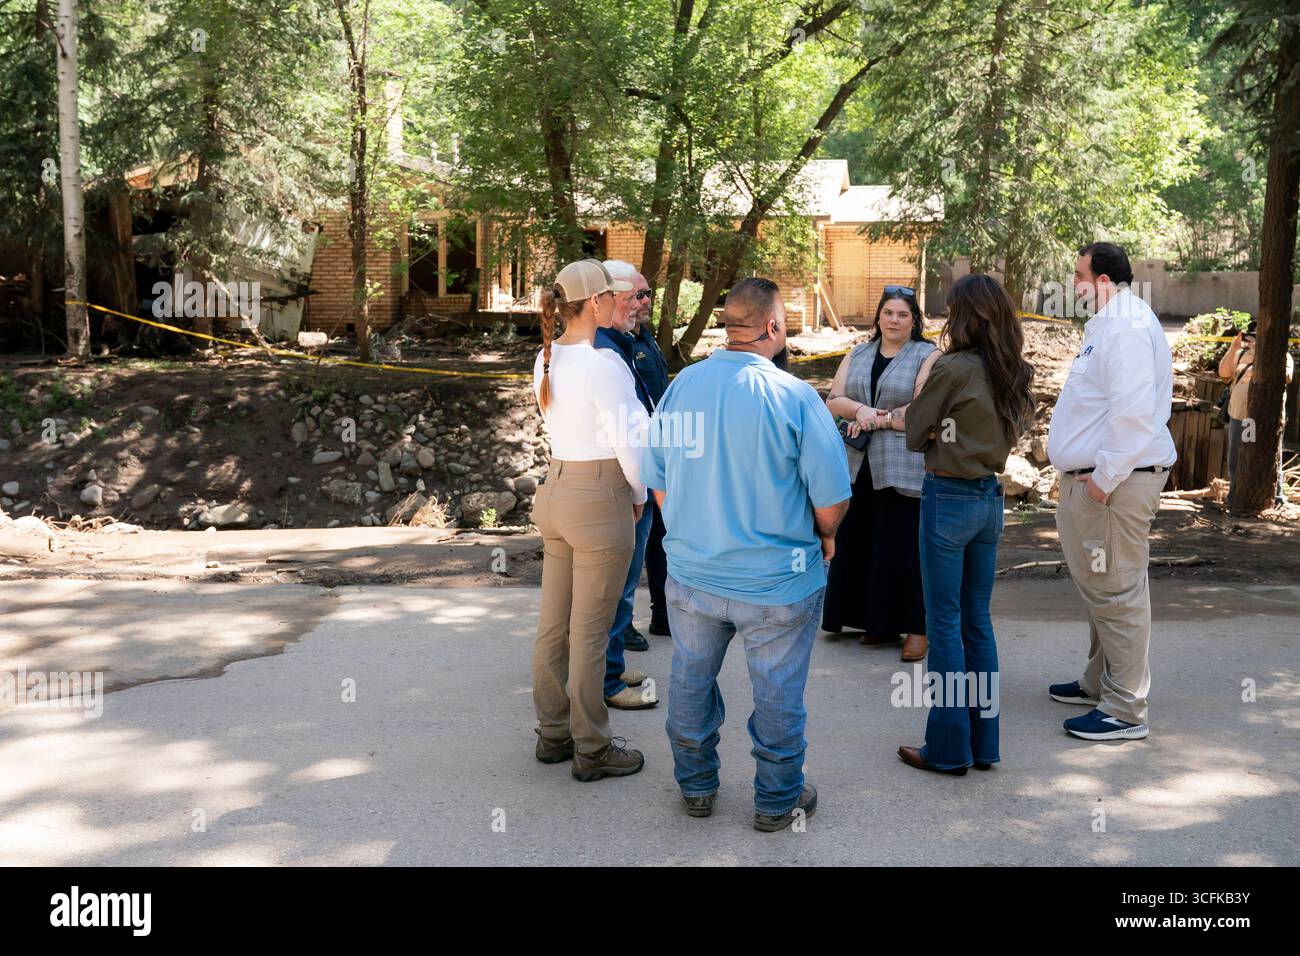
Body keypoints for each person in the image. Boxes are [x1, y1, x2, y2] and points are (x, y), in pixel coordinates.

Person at [641, 277, 852, 831]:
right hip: (777, 583)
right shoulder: (795, 396)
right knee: (779, 693)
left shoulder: (682, 386)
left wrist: (692, 527)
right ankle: (776, 800)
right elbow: (831, 500)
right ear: (774, 328)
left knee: (689, 682)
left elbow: (658, 483)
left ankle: (696, 787)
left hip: (693, 577)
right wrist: (825, 535)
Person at [898, 274, 1035, 775]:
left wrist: (932, 418)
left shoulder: (953, 367)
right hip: (988, 501)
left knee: (944, 624)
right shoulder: (1015, 371)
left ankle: (950, 747)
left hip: (948, 499)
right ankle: (984, 743)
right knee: (978, 622)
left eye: (953, 310)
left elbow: (915, 432)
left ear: (967, 316)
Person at [1047, 241, 1176, 742]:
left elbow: (1132, 413)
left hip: (1116, 484)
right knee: (1103, 588)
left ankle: (1125, 709)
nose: (1073, 284)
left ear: (1103, 280)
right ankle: (1098, 682)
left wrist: (1101, 483)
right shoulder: (1111, 321)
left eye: (1079, 275)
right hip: (1106, 481)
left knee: (1118, 589)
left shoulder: (1124, 325)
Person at [530, 258, 649, 781]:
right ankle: (593, 748)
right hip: (599, 493)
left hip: (554, 489)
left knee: (553, 627)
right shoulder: (606, 364)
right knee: (591, 633)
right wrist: (639, 493)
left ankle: (553, 734)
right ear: (597, 303)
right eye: (611, 296)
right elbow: (631, 440)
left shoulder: (547, 357)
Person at [822, 285, 939, 661]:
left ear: (914, 320)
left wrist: (879, 420)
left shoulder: (928, 355)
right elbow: (832, 400)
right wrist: (860, 412)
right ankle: (875, 623)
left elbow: (921, 411)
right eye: (888, 312)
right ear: (878, 316)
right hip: (857, 467)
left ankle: (917, 630)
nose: (894, 320)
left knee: (904, 549)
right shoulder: (858, 352)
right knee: (862, 543)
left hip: (903, 466)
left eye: (903, 314)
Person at [591, 259, 658, 710]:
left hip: (644, 474)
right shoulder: (604, 352)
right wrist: (639, 491)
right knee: (614, 586)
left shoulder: (632, 339)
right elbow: (622, 429)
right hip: (625, 480)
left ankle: (611, 665)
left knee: (626, 583)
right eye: (635, 296)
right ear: (610, 299)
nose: (642, 303)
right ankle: (606, 682)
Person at [625, 268, 673, 638]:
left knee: (661, 535)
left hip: (661, 451)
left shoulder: (646, 338)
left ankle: (663, 612)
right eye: (638, 295)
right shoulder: (614, 345)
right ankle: (621, 625)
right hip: (634, 457)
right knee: (633, 545)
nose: (646, 301)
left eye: (648, 293)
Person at [1218, 319, 1294, 509]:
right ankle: (1235, 493)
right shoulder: (1240, 353)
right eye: (1254, 335)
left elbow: (1287, 377)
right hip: (1241, 415)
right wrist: (1234, 346)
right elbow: (1224, 373)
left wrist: (1263, 357)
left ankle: (1276, 496)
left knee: (1271, 452)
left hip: (1269, 418)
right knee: (1238, 453)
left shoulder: (1282, 356)